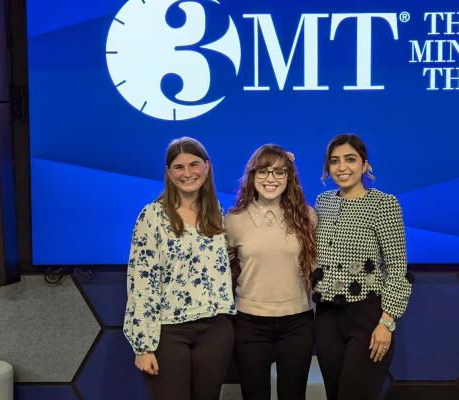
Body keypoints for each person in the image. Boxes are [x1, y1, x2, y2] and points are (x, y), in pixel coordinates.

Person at [123, 137, 236, 400]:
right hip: (169, 333)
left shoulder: (217, 213)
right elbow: (141, 280)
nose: (187, 173)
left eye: (194, 164)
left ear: (207, 167)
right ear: (168, 172)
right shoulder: (152, 216)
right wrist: (143, 346)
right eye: (179, 167)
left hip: (215, 330)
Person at [312, 134, 413, 400]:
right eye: (334, 161)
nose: (342, 167)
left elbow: (397, 268)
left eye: (350, 159)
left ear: (365, 165)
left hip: (367, 318)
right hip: (326, 318)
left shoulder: (384, 204)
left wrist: (386, 323)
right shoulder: (323, 202)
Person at [225, 144, 317, 400]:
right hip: (250, 323)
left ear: (289, 178)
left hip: (297, 322)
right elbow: (226, 268)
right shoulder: (233, 220)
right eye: (263, 171)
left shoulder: (307, 216)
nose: (271, 179)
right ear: (252, 176)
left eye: (279, 172)